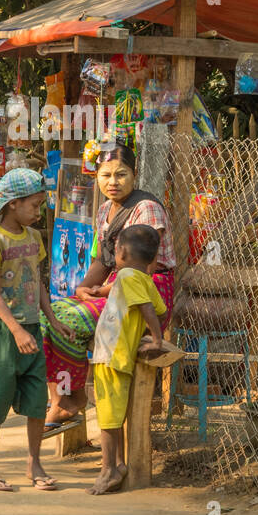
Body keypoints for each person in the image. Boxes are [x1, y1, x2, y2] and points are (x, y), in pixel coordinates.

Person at [43, 145, 176, 425]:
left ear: (134, 174)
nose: (112, 182)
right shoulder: (104, 209)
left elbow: (143, 273)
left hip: (144, 294)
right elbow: (101, 261)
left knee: (71, 320)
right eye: (105, 175)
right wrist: (83, 288)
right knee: (49, 317)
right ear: (96, 176)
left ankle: (70, 401)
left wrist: (99, 291)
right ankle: (67, 397)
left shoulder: (147, 209)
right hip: (113, 289)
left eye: (120, 174)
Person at [0, 168, 67, 491]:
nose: (39, 213)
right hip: (2, 331)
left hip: (32, 328)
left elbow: (37, 282)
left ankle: (34, 462)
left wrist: (51, 319)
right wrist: (16, 330)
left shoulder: (34, 238)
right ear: (12, 203)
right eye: (35, 206)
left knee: (37, 397)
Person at [87, 225, 167, 495]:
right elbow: (159, 307)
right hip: (118, 356)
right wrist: (100, 292)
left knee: (108, 420)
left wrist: (155, 339)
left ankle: (108, 470)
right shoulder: (143, 279)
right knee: (114, 414)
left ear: (120, 252)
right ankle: (118, 465)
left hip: (111, 355)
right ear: (152, 260)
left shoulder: (127, 276)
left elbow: (146, 309)